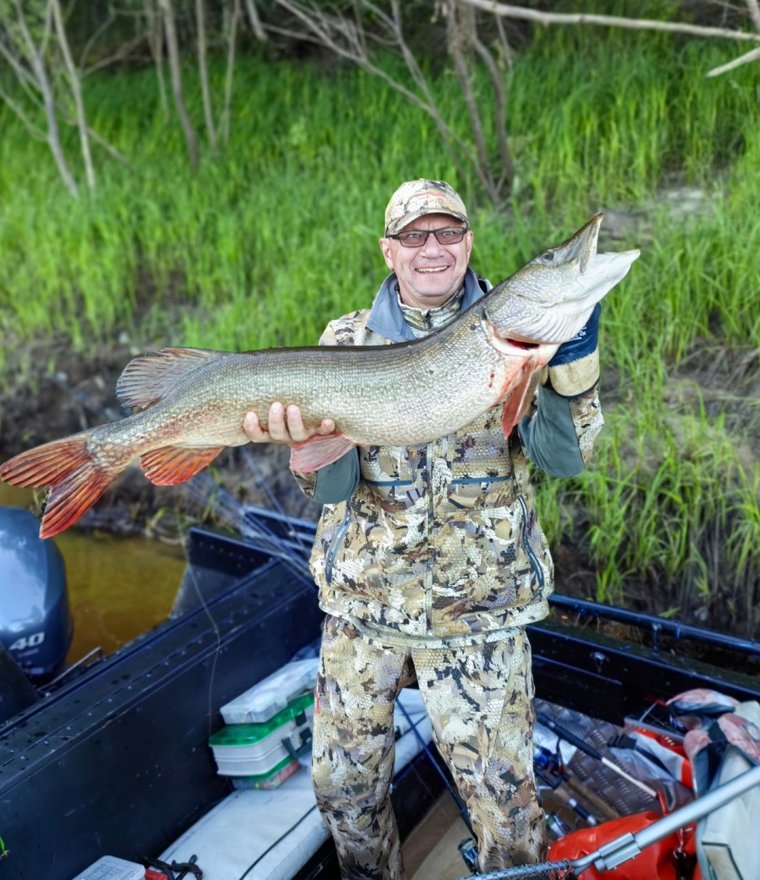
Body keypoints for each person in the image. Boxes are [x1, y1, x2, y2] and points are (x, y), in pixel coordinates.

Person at [243, 179, 604, 878]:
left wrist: (572, 369)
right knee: (343, 793)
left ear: (469, 243)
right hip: (364, 608)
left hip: (482, 610)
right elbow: (336, 488)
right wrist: (304, 451)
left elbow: (563, 458)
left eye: (447, 232)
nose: (432, 248)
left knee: (507, 810)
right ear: (390, 250)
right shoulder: (346, 340)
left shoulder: (521, 336)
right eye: (414, 236)